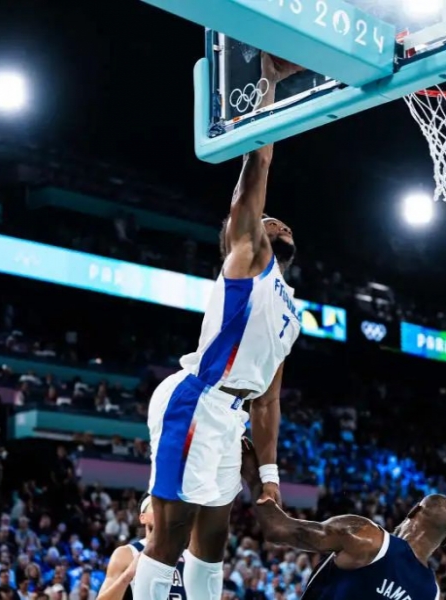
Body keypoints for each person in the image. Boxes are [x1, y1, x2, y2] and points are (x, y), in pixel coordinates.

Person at [131, 53, 304, 600]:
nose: (276, 217)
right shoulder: (248, 260)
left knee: (214, 539)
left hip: (232, 416)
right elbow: (258, 169)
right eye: (265, 217)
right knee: (170, 535)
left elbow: (269, 400)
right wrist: (267, 87)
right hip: (197, 400)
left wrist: (271, 478)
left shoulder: (291, 310)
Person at [241, 439, 446, 600]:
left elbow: (277, 529)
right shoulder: (431, 593)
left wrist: (253, 474)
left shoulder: (367, 537)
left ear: (413, 511)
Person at [97, 494, 185, 600]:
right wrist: (128, 575)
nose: (162, 511)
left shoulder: (189, 554)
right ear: (143, 518)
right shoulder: (127, 554)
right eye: (155, 506)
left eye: (167, 507)